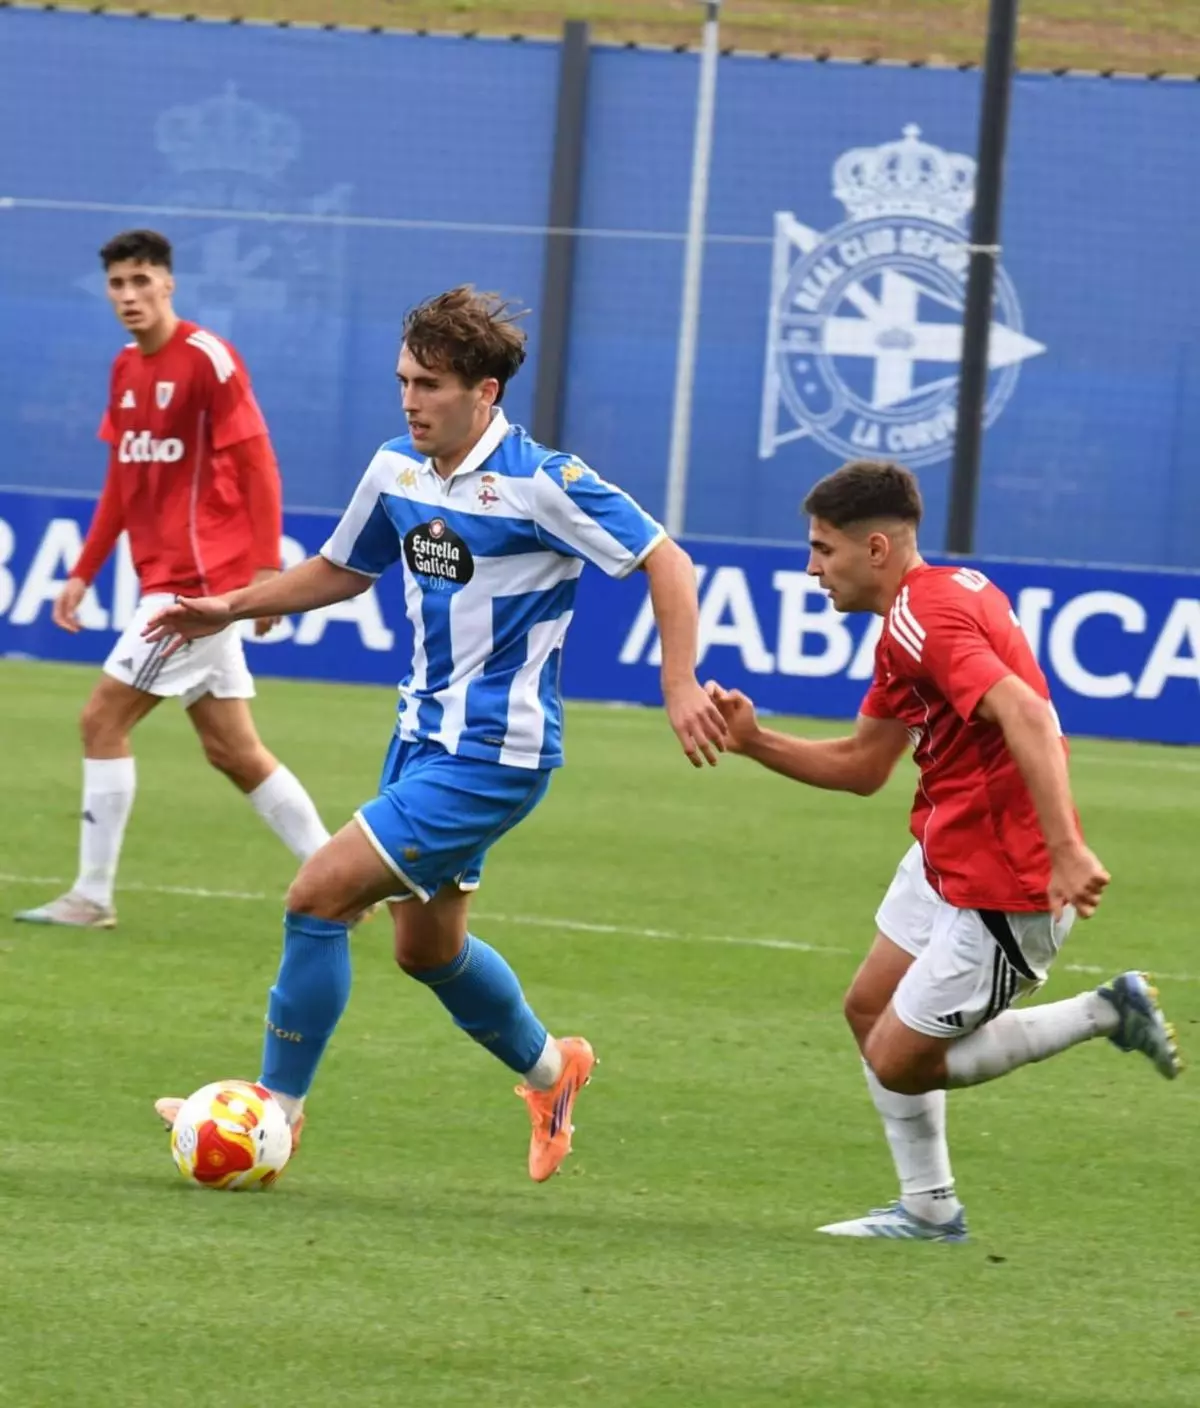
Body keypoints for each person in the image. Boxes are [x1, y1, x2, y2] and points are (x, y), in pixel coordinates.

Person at [146, 285, 728, 1181]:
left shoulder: (543, 482)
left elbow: (666, 557)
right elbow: (343, 569)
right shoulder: (397, 468)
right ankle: (552, 1074)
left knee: (318, 895)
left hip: (496, 753)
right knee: (427, 949)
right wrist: (228, 607)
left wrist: (678, 680)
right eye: (404, 381)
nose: (411, 401)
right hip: (420, 740)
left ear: (484, 393)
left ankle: (275, 1114)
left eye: (431, 385)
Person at [706, 459, 1180, 1242]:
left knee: (900, 1058)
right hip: (947, 850)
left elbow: (1027, 713)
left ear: (879, 549)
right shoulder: (930, 608)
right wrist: (755, 743)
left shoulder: (927, 621)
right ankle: (929, 1209)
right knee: (866, 1008)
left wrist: (1065, 850)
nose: (811, 567)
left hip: (1006, 883)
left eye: (825, 550)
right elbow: (865, 768)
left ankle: (1104, 1012)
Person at [16, 230, 330, 931]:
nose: (129, 296)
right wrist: (82, 573)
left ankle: (91, 897)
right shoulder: (125, 369)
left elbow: (258, 464)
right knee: (233, 751)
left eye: (141, 281)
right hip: (167, 581)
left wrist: (267, 571)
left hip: (196, 590)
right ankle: (340, 876)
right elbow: (123, 484)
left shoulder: (207, 359)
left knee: (101, 719)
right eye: (118, 285)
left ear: (168, 283)